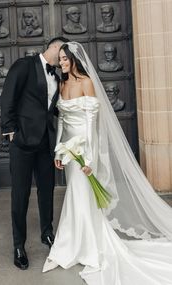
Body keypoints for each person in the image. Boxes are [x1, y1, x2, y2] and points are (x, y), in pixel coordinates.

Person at [43, 42, 172, 284]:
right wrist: (59, 151)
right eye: (59, 59)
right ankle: (72, 244)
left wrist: (89, 158)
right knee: (74, 192)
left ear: (73, 59)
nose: (61, 63)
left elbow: (92, 122)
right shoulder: (61, 84)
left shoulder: (86, 83)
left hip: (85, 147)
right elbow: (61, 121)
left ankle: (87, 245)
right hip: (69, 150)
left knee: (82, 194)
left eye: (64, 59)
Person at [0, 37, 69, 270]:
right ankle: (19, 245)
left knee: (47, 190)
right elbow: (8, 96)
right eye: (63, 51)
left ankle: (47, 232)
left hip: (45, 144)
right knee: (20, 194)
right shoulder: (24, 65)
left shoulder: (57, 78)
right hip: (22, 142)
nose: (63, 58)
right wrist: (10, 131)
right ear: (54, 47)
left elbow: (53, 110)